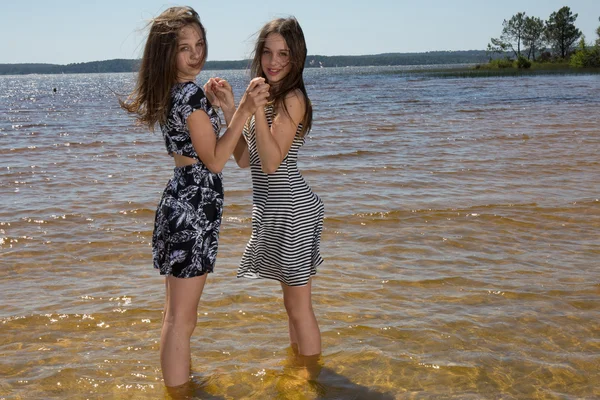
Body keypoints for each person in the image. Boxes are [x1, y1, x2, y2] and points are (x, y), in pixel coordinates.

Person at [120, 6, 269, 387]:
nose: (196, 53)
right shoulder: (187, 95)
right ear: (166, 53)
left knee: (177, 317)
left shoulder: (184, 94)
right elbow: (216, 162)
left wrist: (231, 108)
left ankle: (180, 386)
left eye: (199, 43)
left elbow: (239, 158)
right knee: (180, 320)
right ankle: (180, 393)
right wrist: (248, 109)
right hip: (191, 209)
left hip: (184, 205)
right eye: (185, 47)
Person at [230, 17, 325, 362]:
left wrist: (254, 110)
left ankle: (313, 378)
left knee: (300, 307)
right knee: (291, 305)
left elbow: (271, 163)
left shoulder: (292, 99)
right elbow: (245, 159)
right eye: (267, 52)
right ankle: (297, 367)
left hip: (294, 211)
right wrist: (231, 106)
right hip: (276, 211)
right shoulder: (267, 98)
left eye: (283, 54)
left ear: (296, 57)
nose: (273, 62)